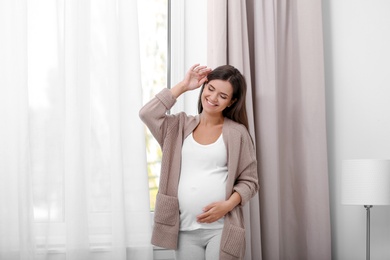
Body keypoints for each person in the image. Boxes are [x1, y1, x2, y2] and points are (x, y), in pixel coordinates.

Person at [139, 64, 258, 260]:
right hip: (184, 230)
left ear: (231, 102)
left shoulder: (237, 133)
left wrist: (228, 205)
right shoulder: (177, 127)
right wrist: (184, 85)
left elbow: (250, 181)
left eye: (222, 95)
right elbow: (147, 114)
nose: (212, 98)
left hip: (222, 228)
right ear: (203, 87)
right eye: (210, 89)